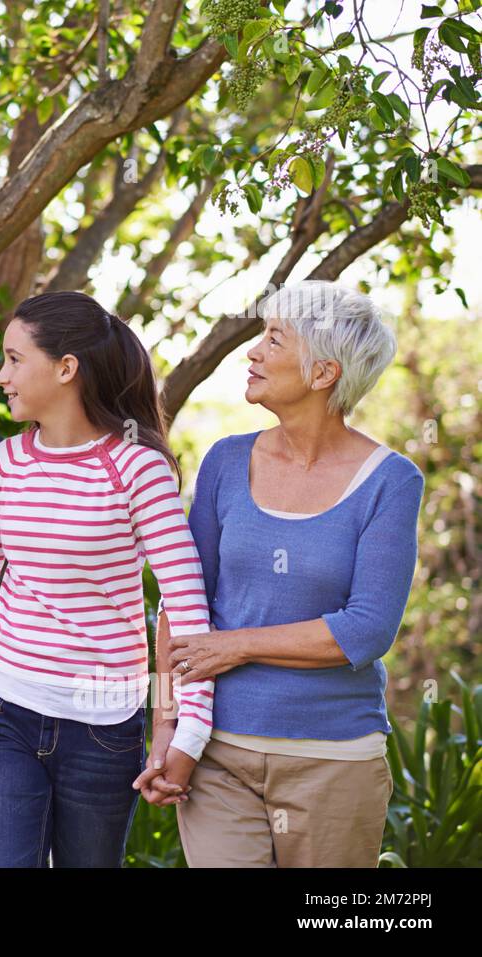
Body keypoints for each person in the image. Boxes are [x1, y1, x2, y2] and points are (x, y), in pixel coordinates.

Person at [0, 291, 211, 867]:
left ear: (66, 368)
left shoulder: (137, 468)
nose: (1, 376)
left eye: (14, 359)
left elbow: (186, 609)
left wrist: (188, 732)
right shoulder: (2, 464)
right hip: (5, 714)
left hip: (105, 729)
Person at [167, 281, 424, 867]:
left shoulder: (391, 480)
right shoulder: (225, 461)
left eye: (274, 339)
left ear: (323, 372)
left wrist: (234, 647)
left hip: (334, 762)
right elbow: (183, 602)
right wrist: (169, 730)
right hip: (218, 756)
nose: (252, 353)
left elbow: (365, 630)